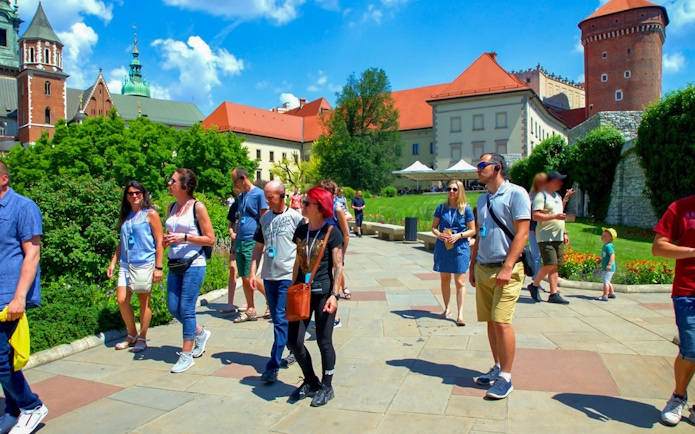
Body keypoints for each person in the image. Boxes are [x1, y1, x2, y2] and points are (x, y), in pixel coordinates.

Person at [470, 153, 530, 400]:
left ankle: (506, 376)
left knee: (502, 321)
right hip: (483, 268)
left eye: (482, 165)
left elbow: (522, 233)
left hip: (507, 270)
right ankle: (496, 366)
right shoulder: (483, 199)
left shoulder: (517, 194)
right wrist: (472, 265)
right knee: (491, 321)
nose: (478, 169)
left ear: (498, 168)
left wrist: (508, 267)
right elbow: (480, 235)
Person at [0, 161, 49, 433]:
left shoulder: (23, 206)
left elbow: (32, 254)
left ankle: (31, 406)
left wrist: (19, 297)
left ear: (4, 179)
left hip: (8, 295)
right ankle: (13, 409)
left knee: (0, 359)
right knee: (3, 358)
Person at [287, 187, 343, 407]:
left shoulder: (332, 232)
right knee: (294, 341)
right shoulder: (301, 231)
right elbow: (297, 263)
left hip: (323, 293)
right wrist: (291, 289)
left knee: (323, 341)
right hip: (301, 291)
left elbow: (338, 266)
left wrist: (334, 295)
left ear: (320, 207)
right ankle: (310, 380)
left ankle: (327, 386)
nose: (303, 205)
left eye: (307, 203)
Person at [249, 181, 305, 384]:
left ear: (282, 196)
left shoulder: (296, 219)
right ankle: (293, 347)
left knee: (280, 320)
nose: (267, 200)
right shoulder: (264, 219)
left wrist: (302, 277)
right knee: (280, 318)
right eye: (266, 196)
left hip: (286, 276)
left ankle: (272, 366)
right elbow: (258, 247)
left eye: (271, 197)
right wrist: (253, 270)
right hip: (269, 275)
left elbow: (303, 249)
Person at [163, 169, 215, 373]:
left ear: (185, 185)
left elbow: (210, 238)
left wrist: (183, 238)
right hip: (175, 263)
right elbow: (171, 234)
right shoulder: (172, 207)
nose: (169, 183)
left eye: (173, 180)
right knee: (173, 307)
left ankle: (187, 355)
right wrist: (168, 241)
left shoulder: (197, 207)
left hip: (193, 263)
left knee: (186, 308)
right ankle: (200, 333)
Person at [652, 195, 695, 426]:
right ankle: (679, 396)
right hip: (689, 292)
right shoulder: (682, 208)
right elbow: (658, 247)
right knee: (691, 348)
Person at [107, 181, 163, 353]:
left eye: (137, 192)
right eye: (130, 193)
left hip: (144, 263)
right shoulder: (126, 215)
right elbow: (122, 241)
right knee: (122, 299)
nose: (134, 196)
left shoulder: (150, 214)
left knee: (143, 300)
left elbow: (160, 240)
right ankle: (131, 333)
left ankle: (143, 336)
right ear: (126, 196)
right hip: (126, 263)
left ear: (143, 194)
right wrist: (113, 261)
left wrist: (158, 267)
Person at [431, 180, 475, 326]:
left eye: (455, 189)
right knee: (444, 279)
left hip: (460, 247)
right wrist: (439, 234)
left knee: (460, 281)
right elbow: (434, 227)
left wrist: (459, 235)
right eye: (449, 189)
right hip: (443, 246)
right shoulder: (441, 208)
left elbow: (473, 230)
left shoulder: (466, 209)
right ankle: (447, 308)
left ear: (460, 191)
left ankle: (460, 313)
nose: (451, 192)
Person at [526, 171, 572, 304]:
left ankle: (553, 294)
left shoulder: (557, 196)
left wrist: (564, 232)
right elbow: (536, 216)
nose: (562, 183)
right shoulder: (541, 196)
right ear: (552, 181)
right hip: (545, 236)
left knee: (555, 265)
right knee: (550, 263)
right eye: (559, 180)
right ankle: (534, 285)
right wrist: (554, 217)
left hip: (557, 236)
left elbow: (560, 214)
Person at [231, 167, 269, 322]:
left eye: (234, 181)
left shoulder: (259, 194)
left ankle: (271, 301)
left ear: (243, 178)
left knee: (249, 276)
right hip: (241, 239)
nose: (234, 184)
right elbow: (240, 217)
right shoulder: (242, 197)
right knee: (244, 276)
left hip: (252, 240)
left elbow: (264, 218)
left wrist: (264, 241)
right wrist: (235, 240)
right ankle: (251, 309)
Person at [318, 179, 350, 305]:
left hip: (334, 247)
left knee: (334, 272)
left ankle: (334, 313)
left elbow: (346, 234)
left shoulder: (337, 209)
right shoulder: (317, 209)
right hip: (320, 247)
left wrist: (342, 253)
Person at [220, 186, 245, 314]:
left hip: (246, 242)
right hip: (235, 242)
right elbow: (230, 225)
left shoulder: (249, 205)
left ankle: (266, 301)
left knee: (246, 274)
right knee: (232, 269)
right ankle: (230, 302)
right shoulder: (235, 206)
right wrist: (231, 233)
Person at [527, 173, 547, 283]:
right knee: (536, 255)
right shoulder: (532, 197)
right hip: (534, 229)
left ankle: (536, 279)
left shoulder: (545, 195)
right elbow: (531, 215)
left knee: (540, 255)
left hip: (543, 229)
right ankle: (535, 280)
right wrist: (533, 228)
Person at [595, 228, 618, 302]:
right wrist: (600, 260)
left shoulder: (609, 246)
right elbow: (606, 256)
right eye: (602, 235)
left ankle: (605, 295)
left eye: (605, 236)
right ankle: (611, 293)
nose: (602, 237)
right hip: (606, 267)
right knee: (607, 281)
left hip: (609, 267)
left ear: (611, 238)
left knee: (605, 281)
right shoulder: (605, 246)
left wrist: (609, 264)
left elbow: (612, 255)